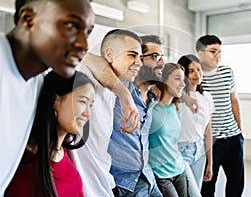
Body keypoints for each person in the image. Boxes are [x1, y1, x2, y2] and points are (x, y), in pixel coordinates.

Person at [0, 0, 94, 195]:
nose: (84, 44)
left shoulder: (37, 85)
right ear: (28, 19)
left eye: (88, 32)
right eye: (71, 25)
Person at [70, 29, 143, 197]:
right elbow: (86, 57)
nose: (139, 62)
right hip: (83, 186)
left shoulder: (112, 88)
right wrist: (125, 95)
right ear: (109, 54)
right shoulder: (84, 75)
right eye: (132, 55)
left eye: (139, 57)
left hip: (103, 182)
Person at [5, 71, 95, 197]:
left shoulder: (64, 156)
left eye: (90, 105)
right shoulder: (21, 165)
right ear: (55, 101)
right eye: (82, 102)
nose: (88, 113)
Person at [108, 35, 165, 197]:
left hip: (148, 177)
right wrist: (124, 94)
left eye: (162, 57)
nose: (162, 62)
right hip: (125, 183)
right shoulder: (119, 87)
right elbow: (90, 61)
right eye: (155, 57)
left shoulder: (152, 99)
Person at [196, 35, 244, 197]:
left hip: (233, 137)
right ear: (200, 53)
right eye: (213, 51)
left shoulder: (227, 71)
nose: (218, 55)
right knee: (207, 185)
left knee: (236, 183)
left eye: (219, 51)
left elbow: (234, 100)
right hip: (210, 141)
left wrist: (240, 129)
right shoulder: (196, 75)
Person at [149, 63, 188, 197]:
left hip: (179, 169)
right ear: (164, 80)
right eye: (177, 78)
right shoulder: (151, 109)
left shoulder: (175, 107)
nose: (182, 84)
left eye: (183, 80)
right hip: (161, 174)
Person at [177, 54, 214, 196]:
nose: (196, 74)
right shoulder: (177, 95)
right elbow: (162, 86)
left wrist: (210, 163)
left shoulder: (207, 97)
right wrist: (185, 97)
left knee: (195, 191)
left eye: (198, 69)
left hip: (200, 152)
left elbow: (208, 131)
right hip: (181, 151)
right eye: (191, 71)